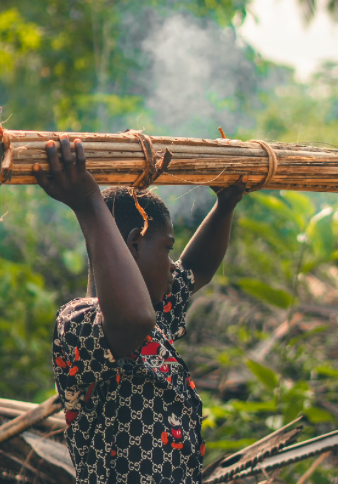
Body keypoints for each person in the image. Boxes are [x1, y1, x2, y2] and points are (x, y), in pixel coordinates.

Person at [34, 136, 247, 484]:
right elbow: (131, 319)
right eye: (166, 249)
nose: (172, 267)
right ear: (134, 243)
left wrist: (225, 205)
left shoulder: (155, 315)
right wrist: (88, 202)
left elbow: (199, 268)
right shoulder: (79, 325)